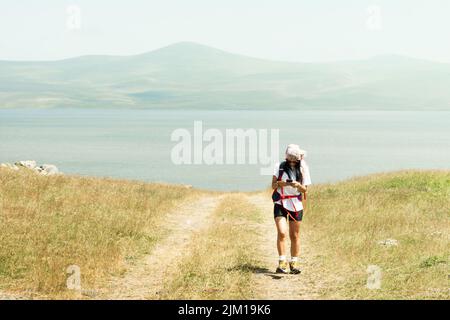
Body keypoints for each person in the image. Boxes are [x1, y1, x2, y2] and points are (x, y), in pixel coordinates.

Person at [271, 144, 312, 274]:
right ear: (287, 157)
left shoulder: (304, 168)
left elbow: (305, 189)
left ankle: (293, 263)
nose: (293, 161)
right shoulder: (279, 166)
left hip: (296, 204)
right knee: (282, 232)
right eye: (291, 158)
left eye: (295, 158)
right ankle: (282, 262)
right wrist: (280, 183)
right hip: (280, 202)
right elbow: (273, 185)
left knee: (294, 235)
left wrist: (298, 185)